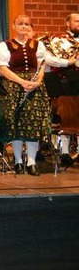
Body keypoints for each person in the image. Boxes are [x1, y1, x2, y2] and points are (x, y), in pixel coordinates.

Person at [0, 15, 50, 175]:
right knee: (16, 124)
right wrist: (22, 82)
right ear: (14, 26)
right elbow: (4, 68)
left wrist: (37, 82)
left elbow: (41, 66)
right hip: (14, 86)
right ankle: (18, 160)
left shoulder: (37, 45)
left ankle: (31, 161)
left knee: (32, 124)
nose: (24, 26)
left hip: (34, 87)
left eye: (27, 24)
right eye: (21, 24)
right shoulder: (5, 45)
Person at [43, 13, 79, 166]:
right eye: (77, 21)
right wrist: (67, 62)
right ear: (67, 23)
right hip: (66, 81)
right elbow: (49, 58)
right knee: (66, 117)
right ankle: (64, 152)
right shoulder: (59, 40)